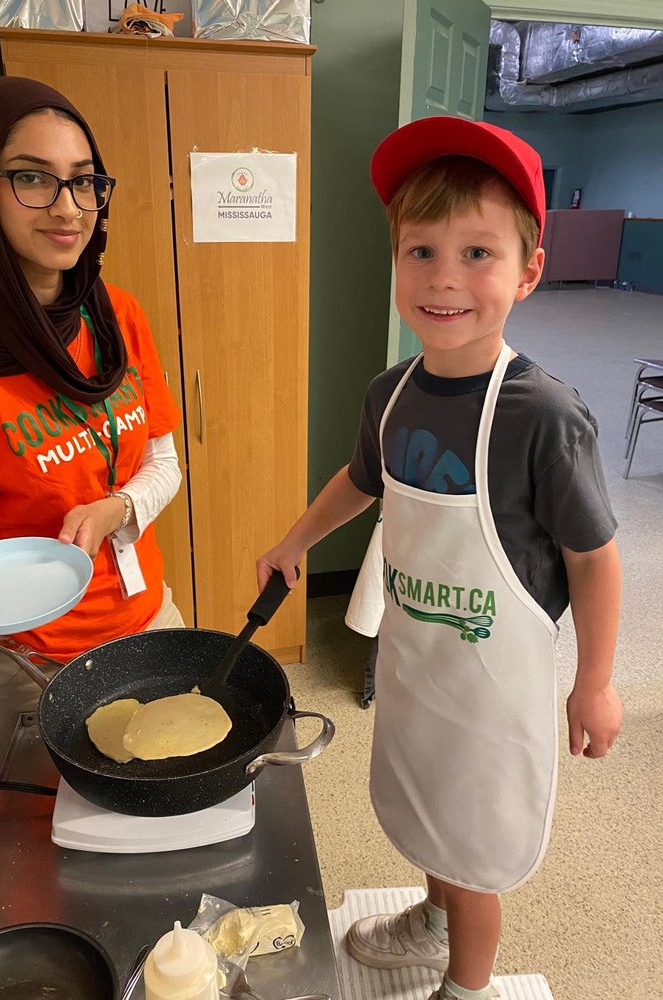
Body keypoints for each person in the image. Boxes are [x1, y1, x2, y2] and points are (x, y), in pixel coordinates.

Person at [257, 116, 622, 1000]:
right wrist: (295, 542)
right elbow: (359, 482)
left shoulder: (543, 415)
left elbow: (595, 558)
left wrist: (596, 681)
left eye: (477, 253)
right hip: (421, 665)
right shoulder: (392, 395)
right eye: (420, 251)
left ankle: (465, 985)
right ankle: (428, 922)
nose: (445, 277)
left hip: (495, 688)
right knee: (427, 812)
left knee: (475, 854)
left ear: (530, 271)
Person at [0, 77, 184, 763]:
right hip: (34, 662)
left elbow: (164, 462)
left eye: (85, 181)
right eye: (32, 178)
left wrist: (117, 506)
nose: (69, 208)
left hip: (151, 619)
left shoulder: (117, 316)